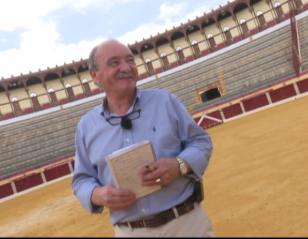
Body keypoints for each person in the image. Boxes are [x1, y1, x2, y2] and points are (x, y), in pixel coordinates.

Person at [71, 39, 215, 237]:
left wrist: (179, 165)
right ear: (95, 75)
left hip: (186, 224)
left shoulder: (164, 101)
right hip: (131, 232)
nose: (126, 67)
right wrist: (99, 195)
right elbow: (82, 180)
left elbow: (201, 141)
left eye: (130, 60)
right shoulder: (86, 127)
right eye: (114, 63)